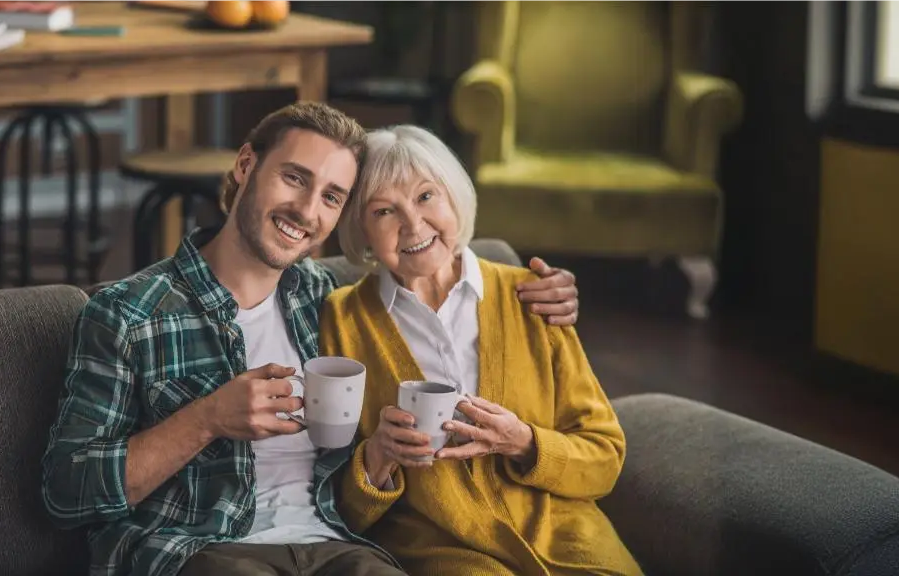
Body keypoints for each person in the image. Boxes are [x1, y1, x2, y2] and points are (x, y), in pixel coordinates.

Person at [39, 103, 584, 576]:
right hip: (203, 551)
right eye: (294, 178)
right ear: (246, 165)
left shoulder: (325, 299)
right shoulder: (129, 313)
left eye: (332, 197)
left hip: (337, 546)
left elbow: (425, 265)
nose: (307, 211)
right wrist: (205, 420)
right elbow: (66, 495)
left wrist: (536, 290)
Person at [320, 125, 642, 576]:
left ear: (454, 197)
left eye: (426, 196)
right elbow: (329, 498)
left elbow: (605, 457)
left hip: (565, 535)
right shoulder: (342, 319)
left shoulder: (531, 297)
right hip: (442, 547)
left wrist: (525, 443)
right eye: (384, 211)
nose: (413, 224)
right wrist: (378, 456)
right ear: (361, 230)